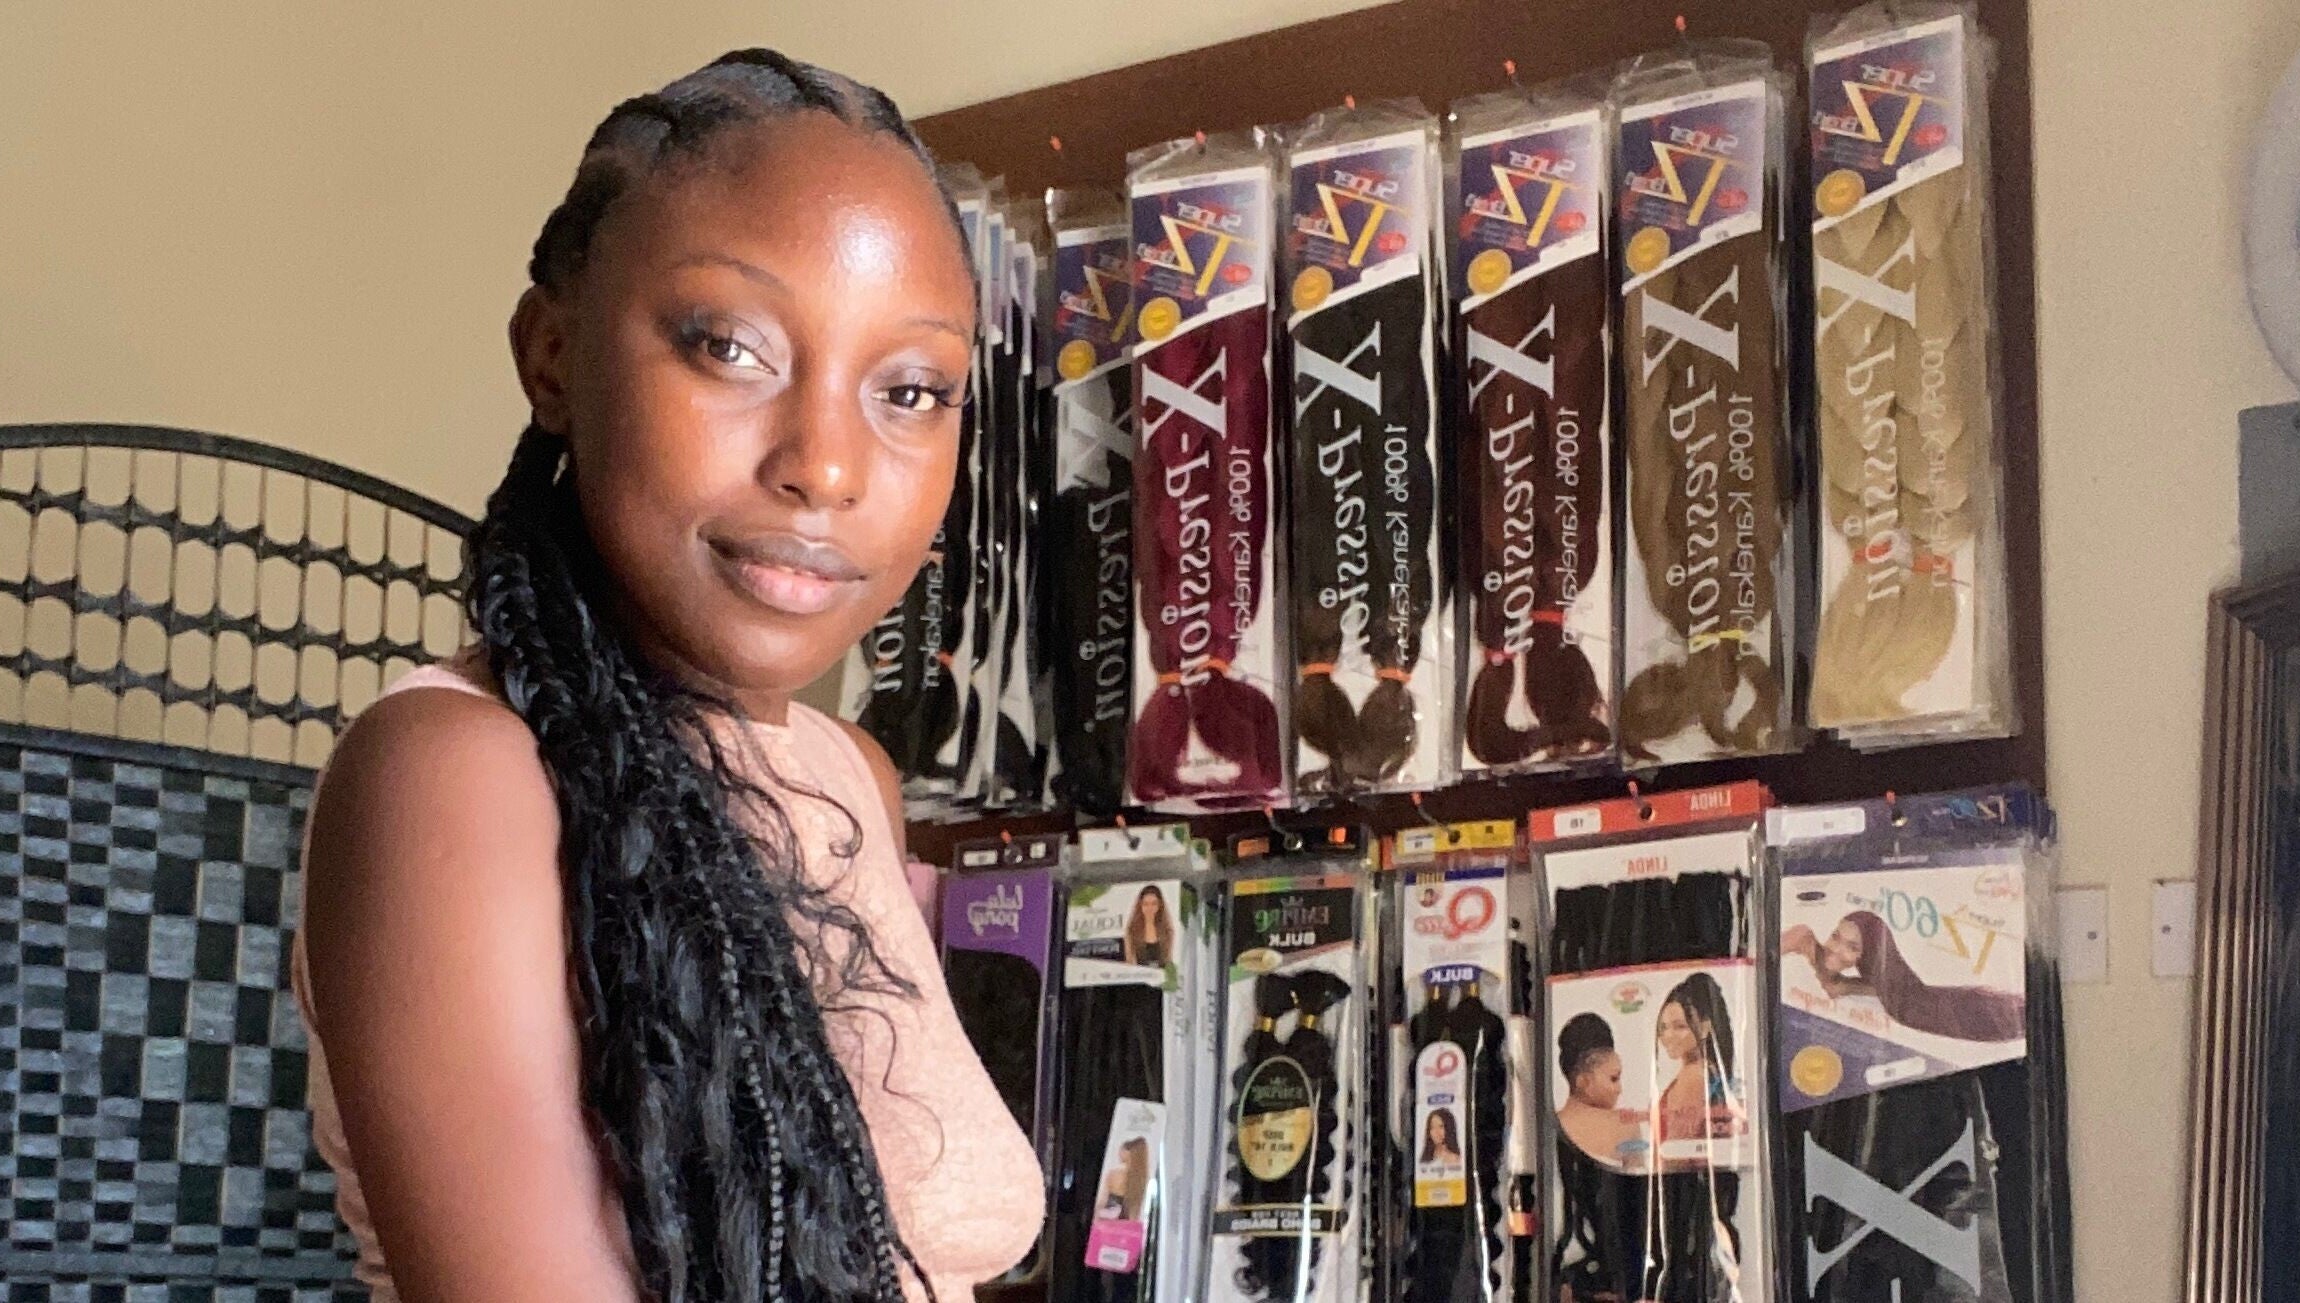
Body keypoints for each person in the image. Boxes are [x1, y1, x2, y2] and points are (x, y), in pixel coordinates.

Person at [292, 51, 1043, 1303]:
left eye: (909, 390)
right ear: (551, 357)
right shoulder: (456, 776)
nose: (827, 466)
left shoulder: (847, 777)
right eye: (731, 349)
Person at [1782, 911, 2027, 1042]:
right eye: (1836, 936)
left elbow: (1853, 988)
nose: (1836, 949)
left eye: (1852, 947)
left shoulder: (1876, 990)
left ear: (1866, 956)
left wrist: (1845, 987)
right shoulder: (1803, 938)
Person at [1654, 973, 1743, 1150]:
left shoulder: (1692, 1076)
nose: (1667, 1036)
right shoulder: (1710, 1071)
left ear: (1704, 1028)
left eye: (1680, 1026)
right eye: (1663, 1027)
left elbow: (1676, 1150)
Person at [1553, 1013, 1640, 1169]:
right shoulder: (1625, 1124)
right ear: (1584, 1082)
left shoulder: (1550, 1124)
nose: (1619, 1090)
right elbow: (1638, 1181)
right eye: (1614, 1078)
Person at [1122, 882, 1173, 966]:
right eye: (1146, 904)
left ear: (1160, 905)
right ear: (1140, 906)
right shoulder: (1131, 931)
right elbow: (1129, 962)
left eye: (1154, 904)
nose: (1150, 908)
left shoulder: (1168, 931)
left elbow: (1169, 961)